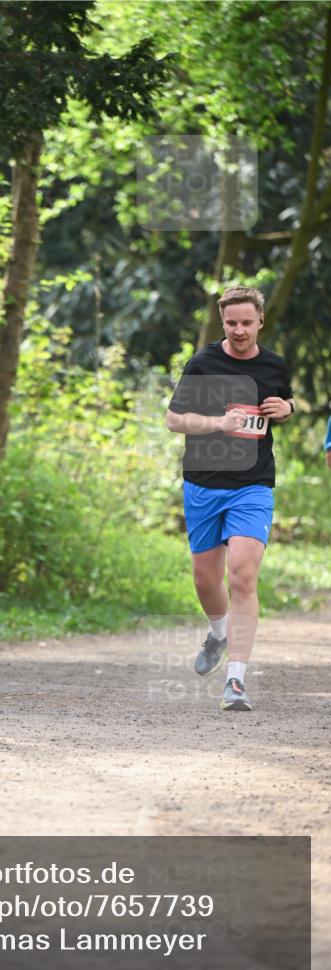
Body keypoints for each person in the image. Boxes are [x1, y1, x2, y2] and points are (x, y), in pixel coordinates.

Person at [166, 285, 294, 711]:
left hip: (253, 484)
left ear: (260, 321)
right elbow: (173, 419)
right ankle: (218, 633)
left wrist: (288, 409)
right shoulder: (204, 363)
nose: (239, 330)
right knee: (206, 580)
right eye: (231, 323)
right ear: (223, 323)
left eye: (246, 322)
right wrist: (218, 423)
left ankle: (236, 681)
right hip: (203, 482)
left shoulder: (275, 365)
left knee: (241, 576)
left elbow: (283, 401)